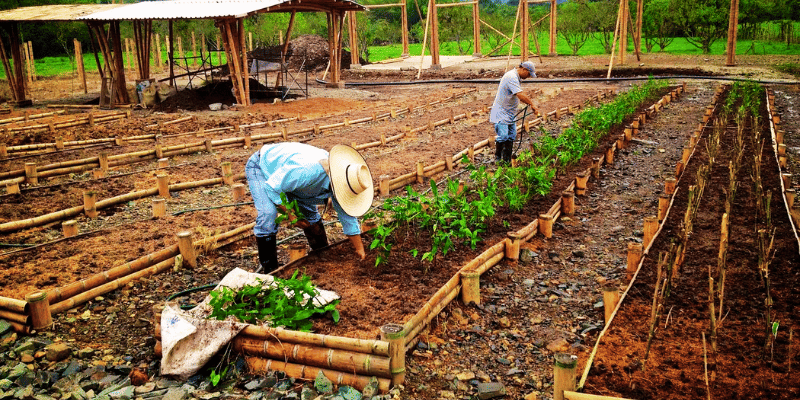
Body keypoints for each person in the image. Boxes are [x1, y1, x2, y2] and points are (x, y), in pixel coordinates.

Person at [245, 142, 374, 273]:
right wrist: (292, 215)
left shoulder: (342, 178)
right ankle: (270, 270)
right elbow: (272, 187)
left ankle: (322, 253)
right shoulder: (307, 171)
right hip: (262, 166)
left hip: (291, 178)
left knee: (310, 216)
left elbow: (347, 217)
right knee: (268, 214)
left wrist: (360, 249)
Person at [489, 61, 541, 164]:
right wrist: (532, 104)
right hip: (501, 112)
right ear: (524, 69)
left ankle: (507, 160)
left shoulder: (516, 77)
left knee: (512, 135)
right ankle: (498, 158)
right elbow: (520, 94)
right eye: (529, 74)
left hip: (509, 113)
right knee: (503, 136)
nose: (528, 76)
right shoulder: (511, 76)